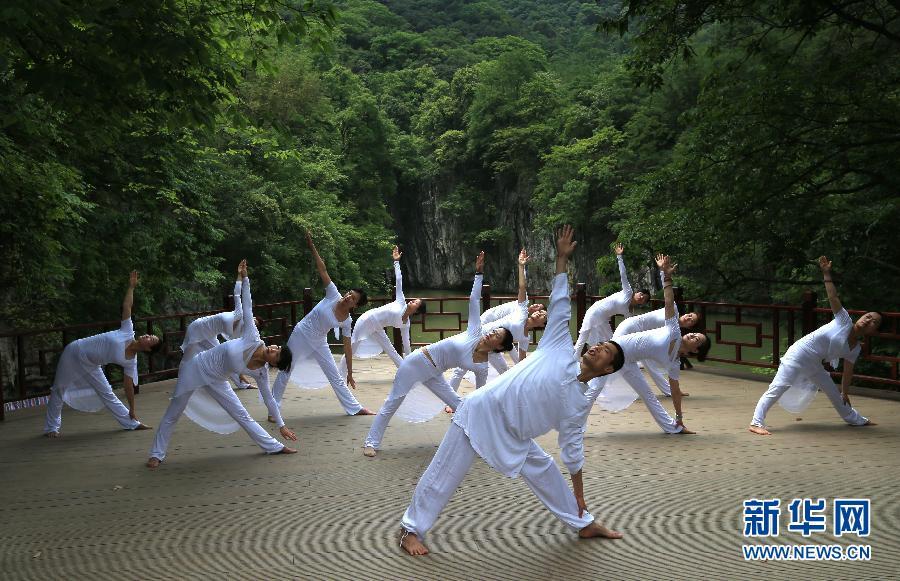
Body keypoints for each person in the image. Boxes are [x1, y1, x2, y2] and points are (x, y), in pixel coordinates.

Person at [398, 226, 623, 557]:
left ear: (606, 369)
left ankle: (583, 522)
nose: (598, 347)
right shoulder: (559, 347)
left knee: (546, 469)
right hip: (481, 411)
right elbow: (560, 304)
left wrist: (580, 493)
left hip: (515, 435)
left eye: (606, 351)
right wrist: (561, 259)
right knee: (445, 473)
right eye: (601, 343)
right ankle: (410, 529)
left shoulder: (579, 403)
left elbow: (572, 450)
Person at [147, 261, 297, 467]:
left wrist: (281, 425)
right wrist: (245, 278)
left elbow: (269, 399)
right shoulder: (252, 337)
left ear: (274, 364)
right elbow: (247, 304)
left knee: (242, 415)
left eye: (277, 354)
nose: (273, 349)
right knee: (174, 411)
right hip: (196, 368)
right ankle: (156, 453)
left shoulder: (261, 372)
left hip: (218, 380)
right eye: (277, 347)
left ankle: (274, 446)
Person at [363, 251, 513, 457]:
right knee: (393, 402)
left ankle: (477, 440)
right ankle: (371, 442)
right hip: (417, 362)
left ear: (499, 347)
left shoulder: (482, 367)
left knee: (461, 406)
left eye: (496, 335)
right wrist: (478, 274)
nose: (491, 333)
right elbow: (474, 300)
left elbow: (479, 395)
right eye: (494, 331)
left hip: (434, 372)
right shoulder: (474, 331)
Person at [748, 256, 880, 435]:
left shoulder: (855, 348)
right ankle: (756, 422)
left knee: (834, 393)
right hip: (799, 353)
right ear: (860, 317)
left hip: (814, 363)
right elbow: (833, 297)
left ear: (873, 331)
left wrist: (845, 392)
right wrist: (826, 273)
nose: (868, 320)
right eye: (868, 316)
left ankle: (856, 420)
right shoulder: (844, 320)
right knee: (779, 387)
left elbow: (848, 372)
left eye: (873, 322)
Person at [596, 254, 708, 433]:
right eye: (694, 333)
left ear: (695, 350)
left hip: (629, 359)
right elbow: (669, 300)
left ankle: (675, 427)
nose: (692, 334)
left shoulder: (674, 363)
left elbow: (675, 389)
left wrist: (679, 416)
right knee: (594, 382)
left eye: (696, 338)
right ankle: (574, 413)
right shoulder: (674, 329)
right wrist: (666, 275)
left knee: (648, 395)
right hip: (620, 343)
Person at [271, 230, 374, 417]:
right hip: (302, 334)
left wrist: (350, 372)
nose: (348, 297)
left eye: (353, 299)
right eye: (349, 293)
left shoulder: (347, 321)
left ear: (355, 306)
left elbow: (347, 348)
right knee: (287, 367)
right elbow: (323, 270)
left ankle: (354, 407)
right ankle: (273, 408)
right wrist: (312, 246)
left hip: (319, 341)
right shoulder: (332, 294)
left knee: (335, 375)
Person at [44, 271, 159, 437]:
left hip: (91, 364)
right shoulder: (128, 331)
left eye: (151, 340)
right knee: (59, 388)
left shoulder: (130, 361)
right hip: (75, 352)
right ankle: (51, 428)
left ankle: (131, 422)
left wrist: (133, 409)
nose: (147, 335)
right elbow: (127, 306)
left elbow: (128, 387)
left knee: (107, 393)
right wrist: (131, 287)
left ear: (148, 349)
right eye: (149, 335)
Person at [448, 249, 546, 388]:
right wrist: (521, 266)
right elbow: (522, 287)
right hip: (480, 334)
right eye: (540, 311)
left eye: (543, 315)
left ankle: (494, 397)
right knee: (460, 368)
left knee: (501, 372)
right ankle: (450, 401)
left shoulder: (525, 339)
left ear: (541, 325)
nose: (539, 313)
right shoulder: (522, 310)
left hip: (494, 346)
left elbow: (522, 361)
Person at [337, 246, 422, 378]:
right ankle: (339, 374)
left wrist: (410, 360)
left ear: (416, 311)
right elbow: (399, 280)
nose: (412, 302)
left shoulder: (406, 324)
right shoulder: (401, 301)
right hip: (366, 320)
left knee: (391, 349)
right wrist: (396, 262)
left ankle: (408, 373)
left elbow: (406, 346)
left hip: (377, 327)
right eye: (414, 300)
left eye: (416, 303)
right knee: (352, 347)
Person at [573, 243, 649, 358]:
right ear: (637, 292)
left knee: (611, 340)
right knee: (582, 338)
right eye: (641, 294)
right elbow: (623, 275)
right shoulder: (628, 292)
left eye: (644, 299)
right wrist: (619, 257)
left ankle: (614, 360)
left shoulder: (629, 312)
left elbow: (631, 326)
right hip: (596, 310)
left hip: (603, 318)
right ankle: (572, 361)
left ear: (643, 303)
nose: (641, 297)